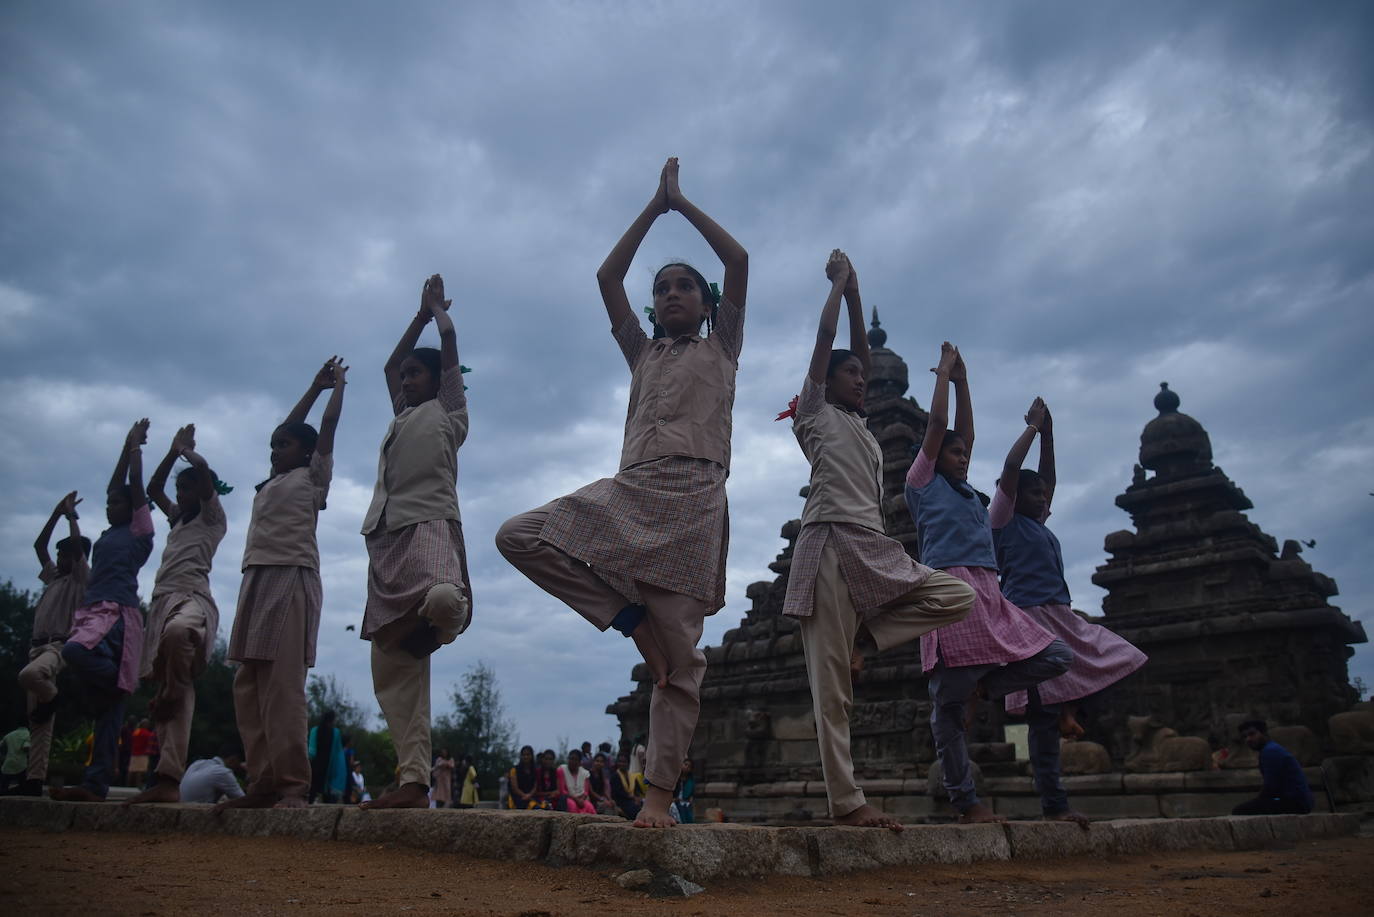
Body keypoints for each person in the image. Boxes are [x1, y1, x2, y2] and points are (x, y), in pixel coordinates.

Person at [497, 157, 747, 828]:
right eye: (662, 287)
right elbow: (608, 277)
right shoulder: (642, 353)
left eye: (684, 286)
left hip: (693, 502)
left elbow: (740, 260)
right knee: (518, 534)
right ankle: (628, 620)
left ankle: (660, 798)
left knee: (680, 662)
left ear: (707, 303)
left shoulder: (722, 347)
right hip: (631, 490)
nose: (670, 294)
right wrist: (652, 207)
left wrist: (685, 203)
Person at [782, 251, 975, 830]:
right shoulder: (813, 412)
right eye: (852, 374)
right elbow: (828, 339)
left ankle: (867, 630)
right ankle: (848, 802)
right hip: (828, 544)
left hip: (875, 547)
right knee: (832, 691)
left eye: (864, 376)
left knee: (956, 597)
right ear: (827, 381)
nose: (862, 378)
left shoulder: (864, 431)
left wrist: (860, 294)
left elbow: (861, 354)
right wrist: (840, 288)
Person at [904, 345, 1073, 824]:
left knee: (1058, 656)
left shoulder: (975, 498)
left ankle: (989, 684)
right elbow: (939, 428)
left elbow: (967, 432)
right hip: (951, 591)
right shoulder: (921, 483)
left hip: (991, 593)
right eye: (954, 454)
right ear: (934, 459)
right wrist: (943, 377)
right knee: (948, 717)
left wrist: (964, 381)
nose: (962, 458)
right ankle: (966, 800)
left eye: (963, 454)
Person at [993, 400, 1147, 812]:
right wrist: (1029, 430)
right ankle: (1055, 801)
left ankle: (1067, 709)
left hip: (1061, 613)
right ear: (1013, 497)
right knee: (1040, 718)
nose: (1043, 498)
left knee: (1115, 656)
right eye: (1034, 493)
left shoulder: (1040, 522)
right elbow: (1012, 472)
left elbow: (1048, 477)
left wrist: (1049, 436)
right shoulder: (1004, 520)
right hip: (1029, 616)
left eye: (1045, 495)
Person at [359, 274, 473, 811]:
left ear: (438, 382)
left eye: (415, 373)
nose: (405, 380)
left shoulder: (448, 413)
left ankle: (437, 629)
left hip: (429, 523)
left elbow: (449, 352)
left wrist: (436, 316)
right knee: (389, 663)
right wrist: (414, 317)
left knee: (446, 600)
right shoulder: (401, 416)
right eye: (404, 375)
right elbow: (387, 365)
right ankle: (412, 782)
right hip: (385, 536)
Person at [221, 358, 347, 810]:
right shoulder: (268, 484)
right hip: (255, 577)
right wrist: (310, 387)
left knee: (283, 683)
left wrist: (333, 390)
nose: (276, 451)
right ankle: (263, 781)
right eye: (274, 445)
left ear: (306, 452)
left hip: (292, 575)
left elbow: (326, 426)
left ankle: (293, 785)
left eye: (285, 444)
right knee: (248, 682)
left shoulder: (313, 478)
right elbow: (291, 425)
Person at [52, 420, 156, 802]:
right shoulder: (109, 534)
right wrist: (125, 442)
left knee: (74, 652)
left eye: (117, 502)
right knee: (110, 712)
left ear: (133, 509)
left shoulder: (139, 532)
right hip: (94, 612)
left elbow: (134, 486)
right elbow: (117, 484)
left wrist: (136, 452)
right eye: (109, 502)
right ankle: (95, 785)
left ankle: (114, 681)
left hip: (117, 617)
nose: (110, 505)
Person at [127, 425, 229, 805]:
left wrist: (191, 456)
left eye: (185, 489)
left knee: (179, 634)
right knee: (178, 689)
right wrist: (170, 452)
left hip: (192, 599)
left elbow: (203, 482)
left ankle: (168, 692)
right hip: (161, 602)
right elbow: (153, 488)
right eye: (179, 490)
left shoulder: (211, 519)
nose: (179, 495)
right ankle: (167, 778)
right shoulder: (176, 520)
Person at [13, 491, 90, 797]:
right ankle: (34, 780)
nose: (60, 559)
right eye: (60, 556)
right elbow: (39, 545)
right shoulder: (54, 578)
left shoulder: (80, 580)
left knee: (30, 676)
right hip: (36, 647)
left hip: (58, 647)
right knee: (38, 722)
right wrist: (57, 512)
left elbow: (78, 552)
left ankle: (53, 696)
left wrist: (72, 518)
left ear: (77, 558)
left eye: (67, 555)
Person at [1232, 720, 1314, 815]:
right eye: (1244, 737)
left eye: (1252, 734)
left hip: (1295, 802)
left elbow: (1271, 787)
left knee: (1239, 811)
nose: (1248, 739)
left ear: (1264, 733)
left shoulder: (1270, 751)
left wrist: (1257, 801)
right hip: (1295, 800)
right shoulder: (1268, 750)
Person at [179, 747, 246, 804]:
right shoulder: (223, 772)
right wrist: (249, 773)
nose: (239, 766)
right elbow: (243, 801)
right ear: (233, 759)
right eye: (239, 763)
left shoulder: (197, 763)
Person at [308, 710, 347, 803]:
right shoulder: (336, 732)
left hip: (315, 766)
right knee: (327, 794)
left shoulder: (315, 730)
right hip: (329, 767)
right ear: (332, 720)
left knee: (312, 790)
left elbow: (311, 751)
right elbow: (338, 754)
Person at [557, 749, 596, 814]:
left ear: (580, 761)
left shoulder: (585, 773)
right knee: (572, 806)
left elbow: (586, 791)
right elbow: (562, 790)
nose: (573, 761)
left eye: (576, 760)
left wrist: (581, 800)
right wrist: (576, 799)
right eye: (571, 759)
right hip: (568, 798)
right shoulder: (561, 770)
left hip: (582, 799)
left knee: (589, 806)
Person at [609, 750, 642, 820]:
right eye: (620, 762)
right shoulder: (615, 776)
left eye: (624, 762)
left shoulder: (632, 776)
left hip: (632, 800)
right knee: (634, 809)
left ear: (628, 763)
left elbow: (637, 790)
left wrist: (637, 798)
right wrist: (632, 798)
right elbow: (617, 793)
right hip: (621, 802)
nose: (622, 764)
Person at [507, 745, 541, 809]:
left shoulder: (535, 770)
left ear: (532, 756)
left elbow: (535, 786)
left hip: (531, 796)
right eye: (523, 755)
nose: (526, 757)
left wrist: (529, 795)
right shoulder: (514, 770)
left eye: (528, 755)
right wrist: (525, 796)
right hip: (518, 797)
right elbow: (515, 788)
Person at [0, 726, 30, 793]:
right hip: (21, 765)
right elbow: (26, 747)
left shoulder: (9, 735)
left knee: (3, 788)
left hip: (8, 765)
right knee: (23, 787)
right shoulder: (28, 734)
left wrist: (3, 756)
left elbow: (1, 745)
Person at [674, 758, 696, 824]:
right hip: (674, 802)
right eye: (685, 764)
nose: (687, 767)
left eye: (689, 766)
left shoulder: (690, 780)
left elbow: (692, 793)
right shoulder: (675, 778)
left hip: (685, 802)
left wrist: (690, 800)